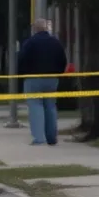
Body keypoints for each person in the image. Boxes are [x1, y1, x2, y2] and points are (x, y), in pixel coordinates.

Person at [18, 18, 68, 146]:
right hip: (52, 78)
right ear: (46, 29)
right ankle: (51, 137)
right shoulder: (56, 43)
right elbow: (63, 60)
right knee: (50, 106)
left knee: (36, 106)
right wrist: (58, 73)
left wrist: (23, 74)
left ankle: (39, 138)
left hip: (33, 78)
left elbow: (22, 59)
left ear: (34, 29)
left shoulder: (30, 43)